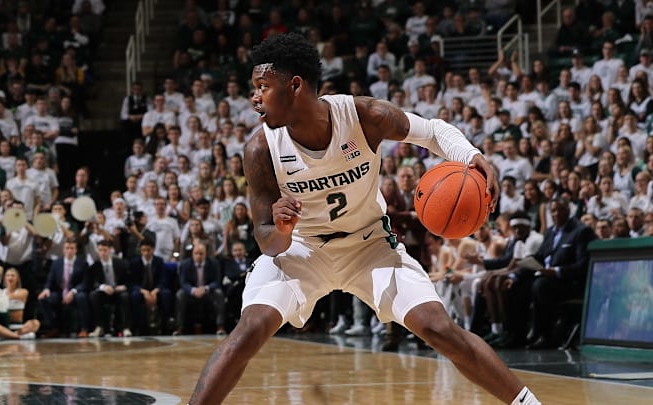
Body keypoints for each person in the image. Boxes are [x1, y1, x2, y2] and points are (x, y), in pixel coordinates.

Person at [186, 33, 539, 405]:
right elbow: (266, 240)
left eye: (262, 87)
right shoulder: (261, 148)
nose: (254, 98)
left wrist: (470, 155)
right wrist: (282, 230)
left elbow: (432, 131)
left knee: (439, 328)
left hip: (369, 244)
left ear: (295, 86)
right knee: (248, 331)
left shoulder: (363, 116)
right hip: (303, 250)